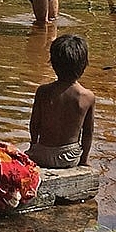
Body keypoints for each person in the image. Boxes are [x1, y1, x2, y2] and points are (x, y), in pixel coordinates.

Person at [27, 34, 95, 169]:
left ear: (53, 63)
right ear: (84, 64)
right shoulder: (87, 96)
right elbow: (88, 132)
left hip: (41, 154)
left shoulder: (43, 91)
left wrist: (33, 146)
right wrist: (84, 160)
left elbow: (34, 124)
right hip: (69, 157)